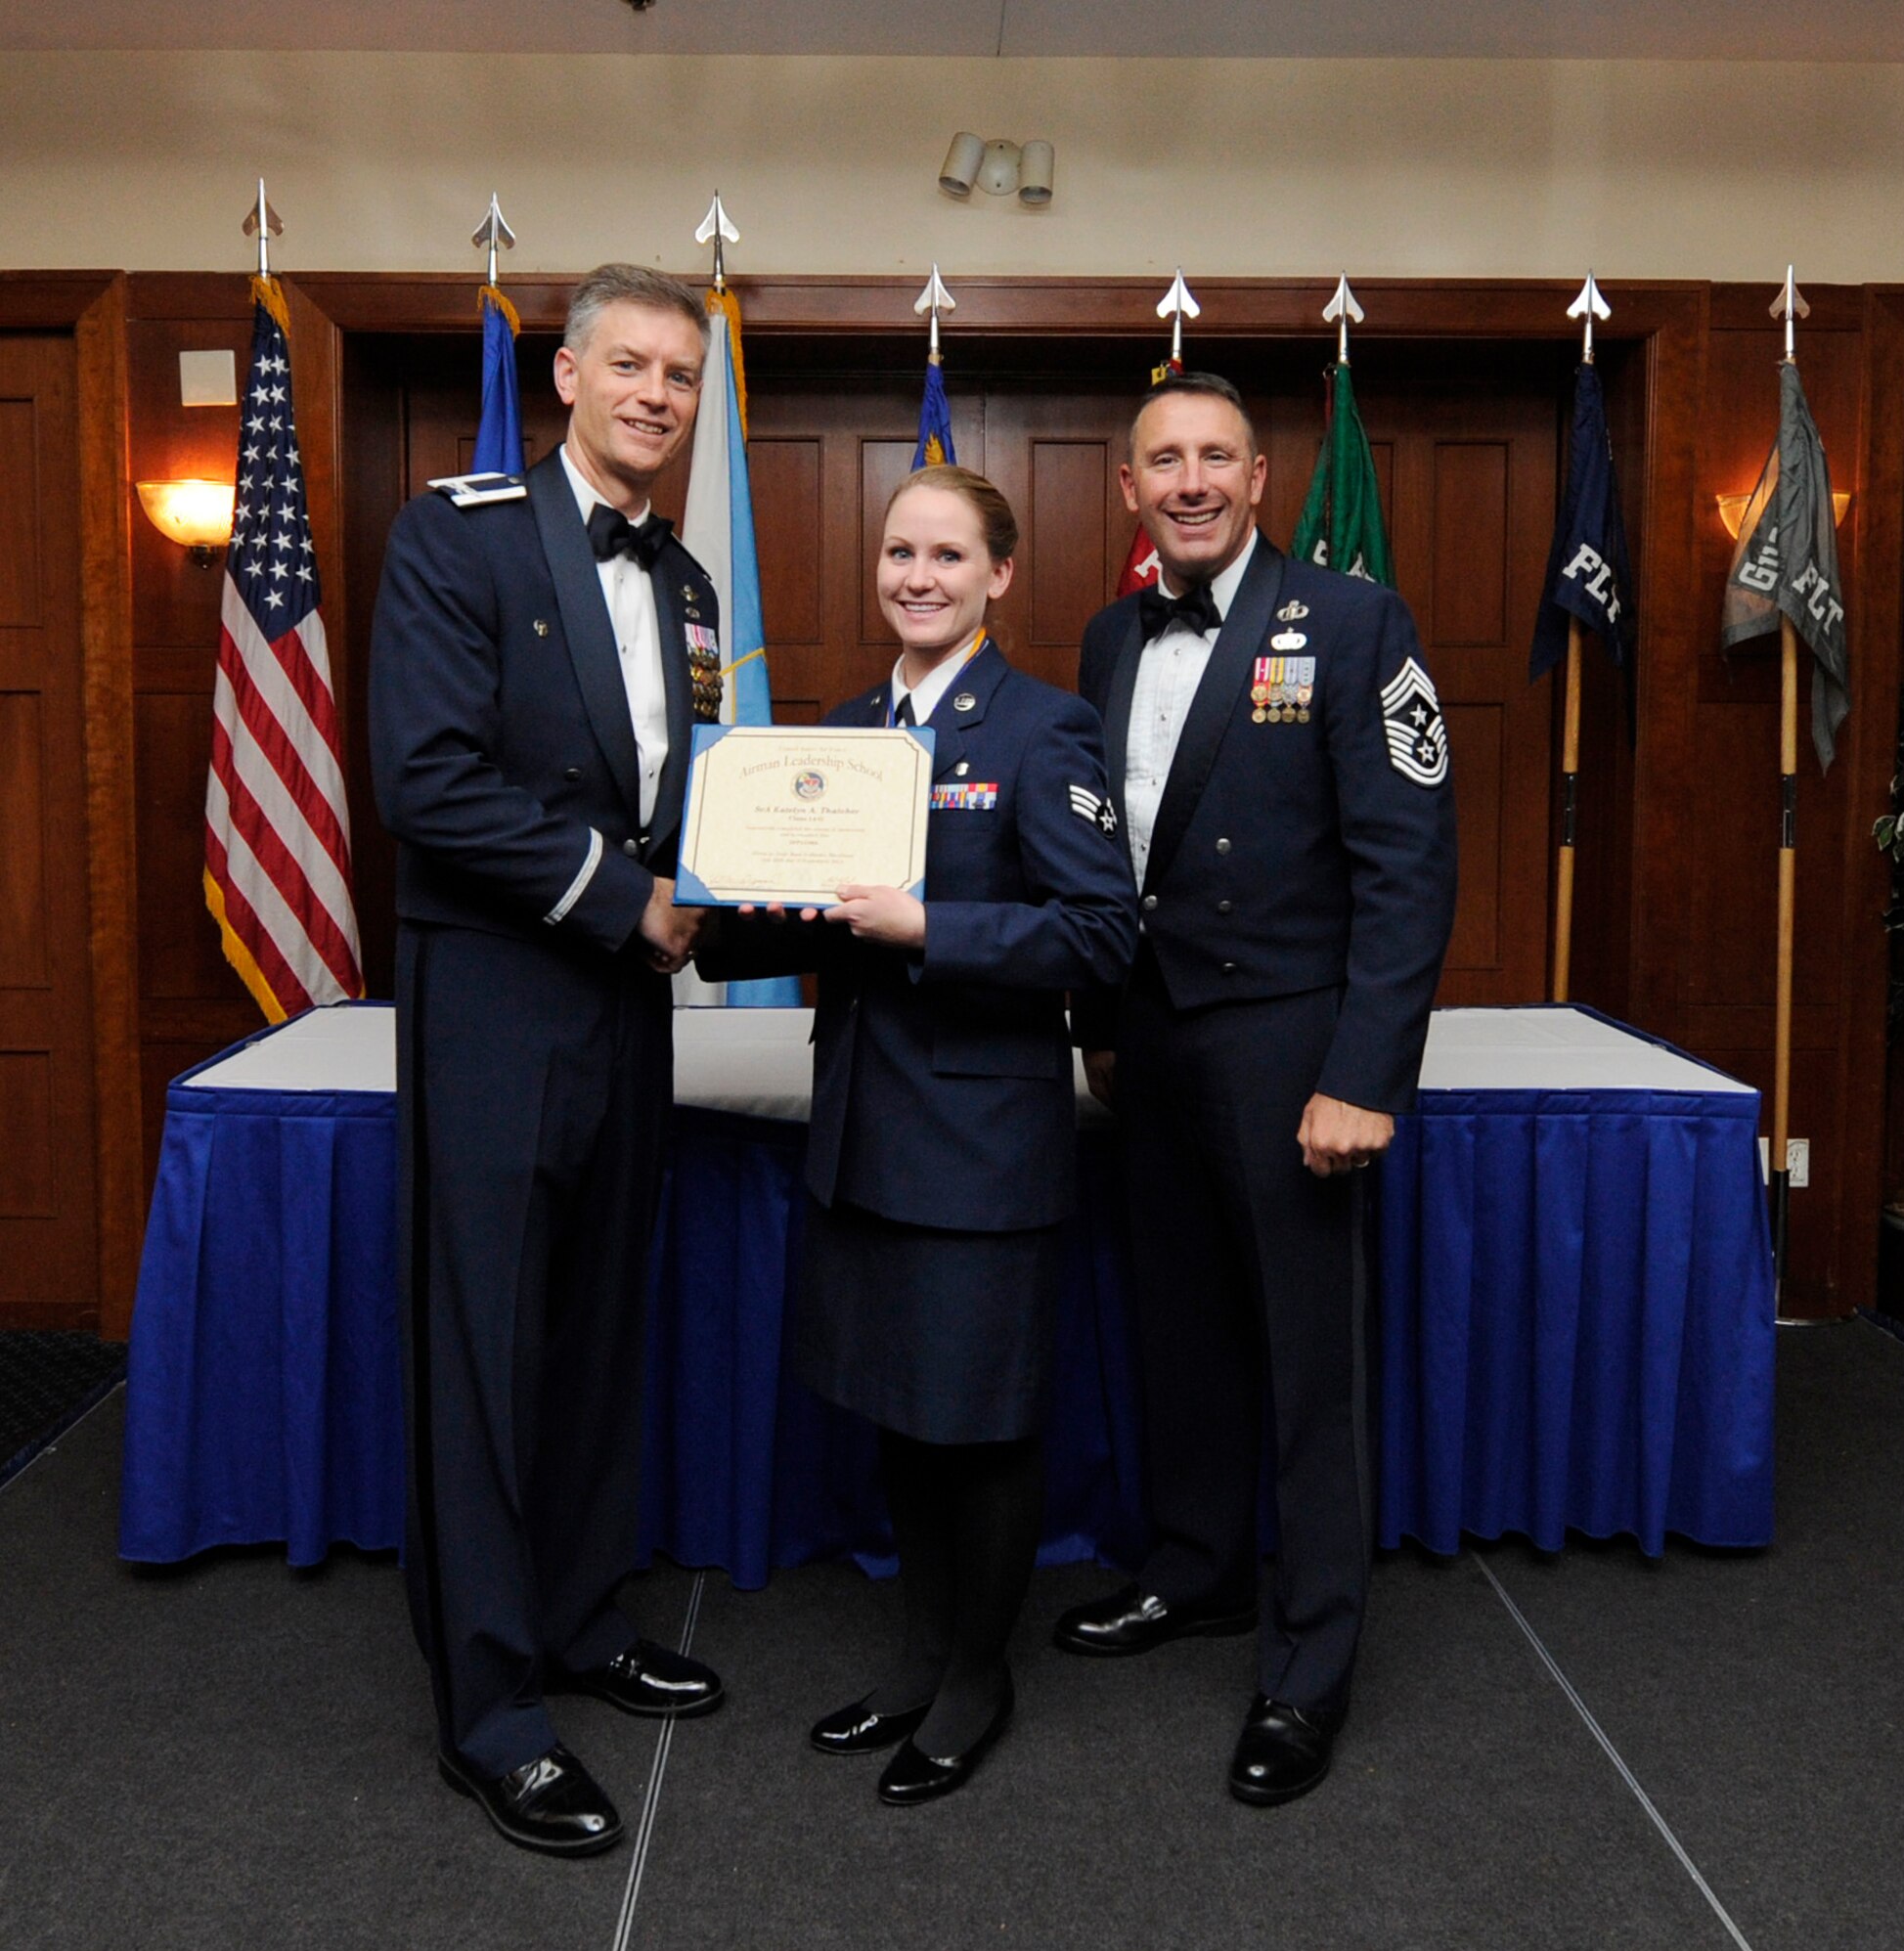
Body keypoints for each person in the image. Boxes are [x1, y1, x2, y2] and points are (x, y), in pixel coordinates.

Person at [702, 466, 1136, 1805]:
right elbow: (759, 916)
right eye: (900, 552)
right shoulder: (839, 732)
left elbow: (1104, 936)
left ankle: (976, 1679)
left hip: (983, 1145)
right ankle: (919, 1650)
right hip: (863, 1136)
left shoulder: (1046, 730)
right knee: (899, 1411)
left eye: (949, 555)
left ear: (1001, 576)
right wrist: (716, 886)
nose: (919, 576)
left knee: (981, 1425)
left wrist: (933, 927)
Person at [1057, 373, 1457, 1806]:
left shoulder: (1351, 623)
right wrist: (1101, 1026)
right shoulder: (1109, 632)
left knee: (1309, 1364)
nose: (1190, 479)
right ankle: (1200, 1570)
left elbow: (1409, 866)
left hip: (1294, 1049)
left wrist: (1364, 1074)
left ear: (1261, 474)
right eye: (1162, 458)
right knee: (1183, 1332)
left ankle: (1310, 1664)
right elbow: (1109, 855)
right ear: (1128, 487)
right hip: (1154, 1046)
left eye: (1215, 455)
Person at [369, 263, 726, 1857]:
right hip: (503, 995)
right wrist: (626, 899)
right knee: (489, 1348)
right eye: (631, 364)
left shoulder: (695, 585)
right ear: (565, 374)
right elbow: (428, 786)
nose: (657, 392)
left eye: (681, 374)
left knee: (592, 1330)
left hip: (625, 1004)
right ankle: (493, 1710)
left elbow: (693, 802)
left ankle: (582, 1618)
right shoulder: (460, 531)